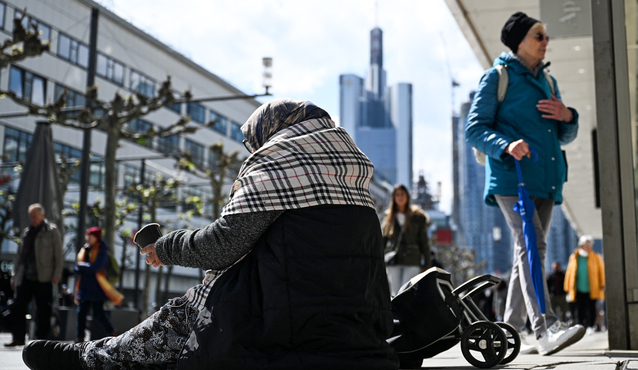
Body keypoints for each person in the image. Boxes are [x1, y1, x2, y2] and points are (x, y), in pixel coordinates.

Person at [22, 99, 397, 370]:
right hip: (354, 328)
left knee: (188, 312)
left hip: (285, 324)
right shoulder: (355, 182)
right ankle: (94, 353)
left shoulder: (281, 163)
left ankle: (89, 358)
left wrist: (165, 247)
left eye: (257, 141)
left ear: (273, 131)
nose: (256, 149)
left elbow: (224, 245)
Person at [465, 11, 584, 355]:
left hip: (546, 179)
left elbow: (564, 134)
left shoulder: (548, 82)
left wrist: (568, 117)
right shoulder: (497, 77)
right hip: (511, 178)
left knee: (527, 252)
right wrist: (506, 144)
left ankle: (507, 332)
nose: (546, 42)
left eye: (546, 36)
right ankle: (545, 328)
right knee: (533, 246)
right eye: (539, 36)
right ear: (519, 42)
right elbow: (474, 129)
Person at [5, 203, 63, 347]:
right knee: (18, 306)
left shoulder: (52, 231)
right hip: (25, 277)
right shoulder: (27, 232)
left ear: (43, 216)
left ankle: (40, 340)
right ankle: (18, 337)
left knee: (43, 310)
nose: (33, 220)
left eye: (36, 217)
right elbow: (19, 256)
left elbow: (59, 256)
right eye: (31, 217)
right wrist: (15, 276)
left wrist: (56, 274)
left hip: (44, 277)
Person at [74, 227, 123, 342]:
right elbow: (77, 268)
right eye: (87, 235)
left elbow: (95, 267)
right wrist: (86, 267)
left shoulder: (102, 250)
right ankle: (79, 337)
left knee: (98, 313)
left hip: (98, 288)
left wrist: (83, 267)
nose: (88, 238)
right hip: (85, 287)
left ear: (97, 238)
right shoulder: (85, 250)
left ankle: (112, 332)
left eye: (91, 236)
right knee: (81, 313)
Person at [381, 184, 431, 295]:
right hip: (393, 261)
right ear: (393, 198)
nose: (400, 197)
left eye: (402, 194)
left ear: (407, 196)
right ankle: (396, 313)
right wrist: (378, 262)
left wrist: (427, 265)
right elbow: (382, 242)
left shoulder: (417, 217)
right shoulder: (388, 218)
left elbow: (424, 242)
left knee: (406, 292)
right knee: (395, 293)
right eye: (397, 195)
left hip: (412, 260)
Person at [564, 236, 604, 330]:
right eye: (587, 245)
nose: (589, 247)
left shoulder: (596, 257)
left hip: (592, 287)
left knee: (591, 308)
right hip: (578, 288)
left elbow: (601, 271)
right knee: (579, 308)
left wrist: (602, 284)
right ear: (582, 246)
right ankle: (580, 326)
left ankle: (590, 325)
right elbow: (569, 273)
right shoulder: (574, 257)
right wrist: (567, 287)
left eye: (590, 245)